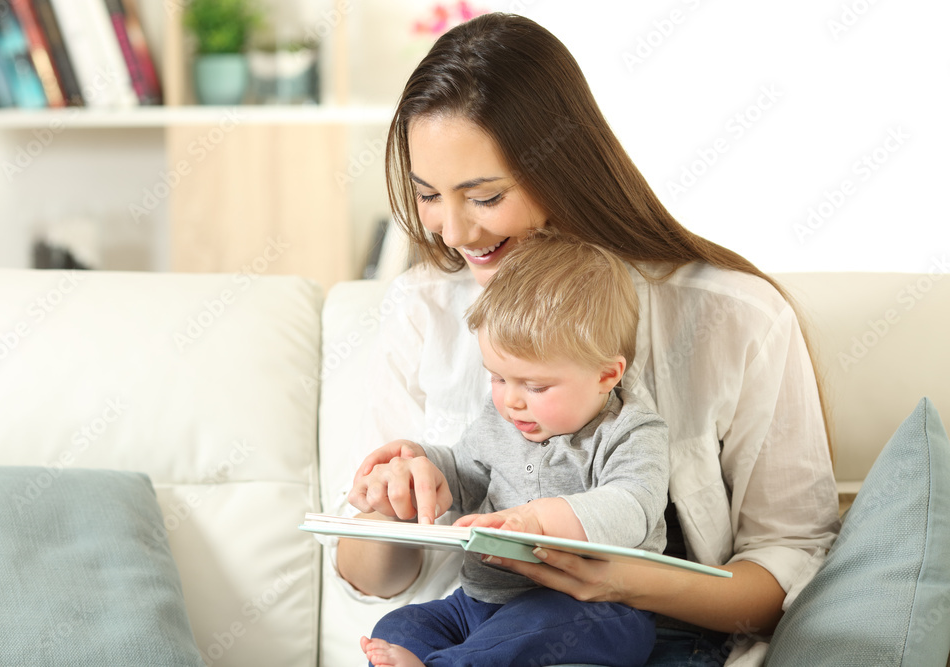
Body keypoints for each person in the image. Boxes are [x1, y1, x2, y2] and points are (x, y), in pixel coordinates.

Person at [331, 12, 840, 666]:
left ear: (563, 168)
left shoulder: (736, 316)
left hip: (633, 634)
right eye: (429, 195)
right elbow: (372, 574)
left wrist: (627, 580)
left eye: (484, 197)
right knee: (409, 629)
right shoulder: (420, 306)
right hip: (476, 613)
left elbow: (791, 554)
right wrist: (391, 494)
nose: (452, 231)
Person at [353, 230, 670, 667]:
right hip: (481, 603)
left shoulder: (631, 431)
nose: (512, 400)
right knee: (400, 629)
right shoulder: (500, 418)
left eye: (536, 386)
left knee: (526, 631)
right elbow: (464, 475)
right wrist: (420, 465)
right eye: (498, 378)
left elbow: (631, 508)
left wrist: (537, 520)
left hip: (589, 608)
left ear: (606, 375)